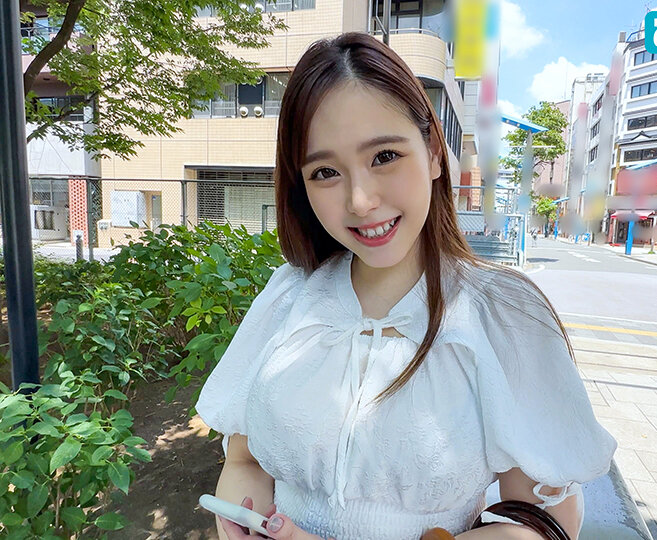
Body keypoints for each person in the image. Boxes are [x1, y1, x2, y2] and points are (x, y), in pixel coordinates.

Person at [195, 32, 616, 540]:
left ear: (434, 152)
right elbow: (245, 461)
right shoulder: (289, 295)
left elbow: (545, 518)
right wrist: (240, 523)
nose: (360, 201)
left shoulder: (502, 313)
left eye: (384, 156)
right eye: (325, 171)